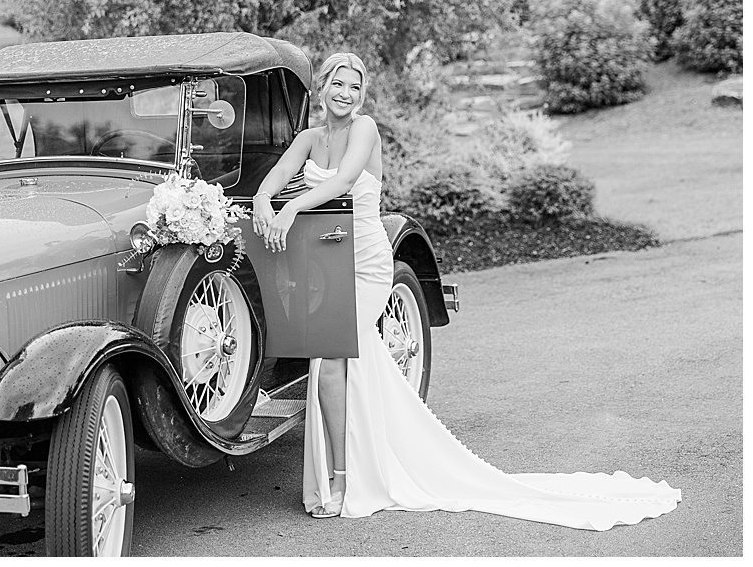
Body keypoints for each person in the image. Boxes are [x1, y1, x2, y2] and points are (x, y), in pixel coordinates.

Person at [251, 51, 679, 528]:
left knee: (333, 358)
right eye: (338, 84)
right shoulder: (310, 137)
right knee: (330, 362)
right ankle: (348, 468)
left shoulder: (365, 129)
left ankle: (347, 477)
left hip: (367, 260)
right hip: (329, 260)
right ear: (322, 86)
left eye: (354, 86)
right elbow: (274, 177)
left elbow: (347, 180)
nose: (346, 94)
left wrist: (291, 210)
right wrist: (268, 202)